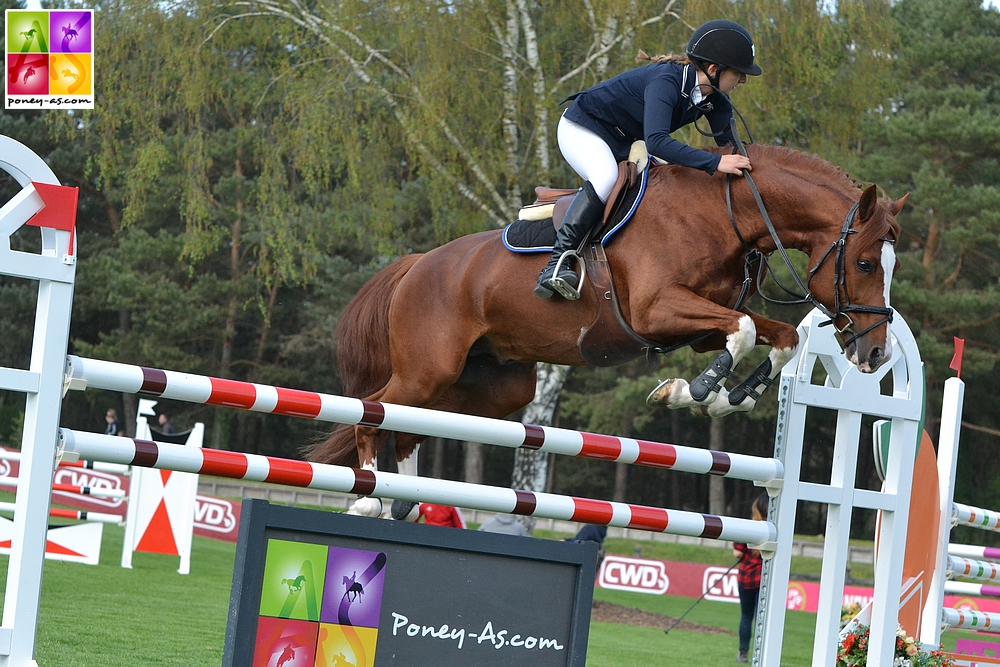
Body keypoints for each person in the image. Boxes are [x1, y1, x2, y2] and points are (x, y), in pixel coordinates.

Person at [534, 19, 761, 300]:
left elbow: (734, 149)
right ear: (713, 69)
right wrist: (715, 163)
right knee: (606, 179)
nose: (743, 80)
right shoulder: (665, 82)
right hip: (583, 128)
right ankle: (556, 264)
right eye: (738, 72)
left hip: (625, 141)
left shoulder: (714, 99)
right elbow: (657, 142)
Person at [733, 493, 768, 663]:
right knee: (764, 617)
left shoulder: (749, 527)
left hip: (747, 578)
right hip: (766, 579)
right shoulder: (773, 529)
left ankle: (743, 652)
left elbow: (738, 552)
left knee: (746, 616)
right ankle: (763, 653)